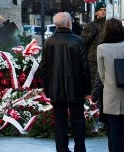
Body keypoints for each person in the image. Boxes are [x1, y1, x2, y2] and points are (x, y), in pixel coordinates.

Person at [43, 11, 90, 152]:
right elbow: (85, 67)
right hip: (75, 87)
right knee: (78, 120)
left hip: (56, 88)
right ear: (69, 23)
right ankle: (80, 148)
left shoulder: (48, 42)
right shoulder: (77, 41)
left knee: (60, 121)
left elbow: (44, 67)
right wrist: (87, 89)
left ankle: (62, 149)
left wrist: (47, 89)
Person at [97, 17, 124, 152]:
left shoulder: (101, 48)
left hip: (110, 93)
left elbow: (101, 73)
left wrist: (109, 84)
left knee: (113, 129)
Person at [81, 0, 107, 91]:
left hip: (107, 57)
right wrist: (90, 35)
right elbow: (82, 41)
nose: (103, 11)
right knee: (94, 83)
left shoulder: (109, 25)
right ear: (96, 12)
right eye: (101, 10)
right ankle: (93, 102)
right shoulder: (90, 26)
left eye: (104, 9)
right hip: (93, 59)